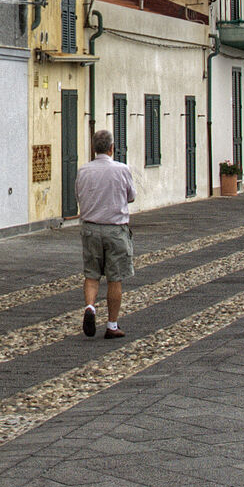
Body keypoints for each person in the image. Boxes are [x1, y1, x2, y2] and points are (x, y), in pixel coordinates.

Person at [75, 128, 136, 339]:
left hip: (90, 228)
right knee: (115, 278)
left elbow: (78, 195)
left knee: (91, 275)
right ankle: (111, 325)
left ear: (93, 148)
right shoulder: (122, 169)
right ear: (112, 148)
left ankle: (90, 307)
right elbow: (131, 196)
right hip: (115, 229)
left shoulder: (83, 170)